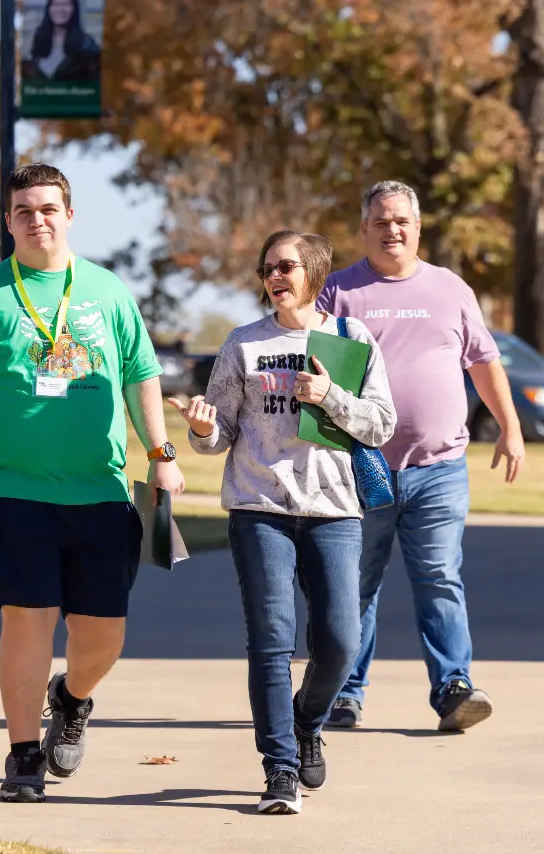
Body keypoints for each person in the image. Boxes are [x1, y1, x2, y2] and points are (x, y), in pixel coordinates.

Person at [0, 162, 186, 803]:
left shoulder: (107, 292)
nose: (36, 219)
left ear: (69, 215)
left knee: (103, 634)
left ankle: (69, 698)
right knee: (28, 616)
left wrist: (160, 451)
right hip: (7, 489)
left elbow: (141, 377)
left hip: (98, 490)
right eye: (23, 210)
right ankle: (21, 757)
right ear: (8, 221)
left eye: (47, 208)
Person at [171, 230, 396, 815]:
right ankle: (279, 769)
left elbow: (382, 425)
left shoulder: (350, 338)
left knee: (340, 642)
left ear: (315, 271)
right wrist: (199, 428)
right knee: (271, 641)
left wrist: (330, 397)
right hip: (259, 508)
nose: (274, 276)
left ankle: (306, 720)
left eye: (286, 266)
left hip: (333, 509)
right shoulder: (243, 344)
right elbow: (218, 435)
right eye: (267, 267)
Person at [317, 180, 525, 732]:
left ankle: (454, 688)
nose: (392, 230)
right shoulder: (337, 293)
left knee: (439, 577)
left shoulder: (450, 288)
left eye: (402, 221)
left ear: (417, 227)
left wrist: (510, 427)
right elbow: (305, 366)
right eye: (381, 221)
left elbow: (483, 362)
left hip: (439, 466)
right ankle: (343, 692)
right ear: (364, 228)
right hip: (361, 467)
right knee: (354, 583)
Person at [22, 0, 101, 82]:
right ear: (49, 8)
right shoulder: (37, 39)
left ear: (74, 9)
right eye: (56, 4)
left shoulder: (86, 44)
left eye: (66, 4)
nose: (60, 9)